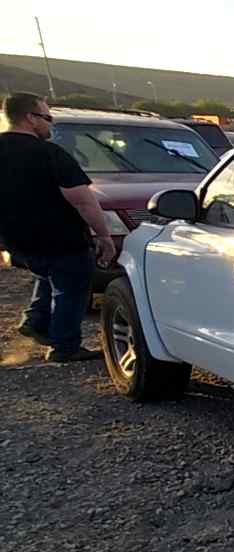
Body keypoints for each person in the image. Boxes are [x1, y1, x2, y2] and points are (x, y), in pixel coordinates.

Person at [0, 93, 114, 363]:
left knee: (47, 274)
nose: (51, 124)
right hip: (61, 238)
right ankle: (64, 346)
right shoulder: (48, 153)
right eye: (48, 117)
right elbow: (83, 200)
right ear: (30, 118)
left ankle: (36, 321)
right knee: (71, 289)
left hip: (18, 241)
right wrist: (103, 235)